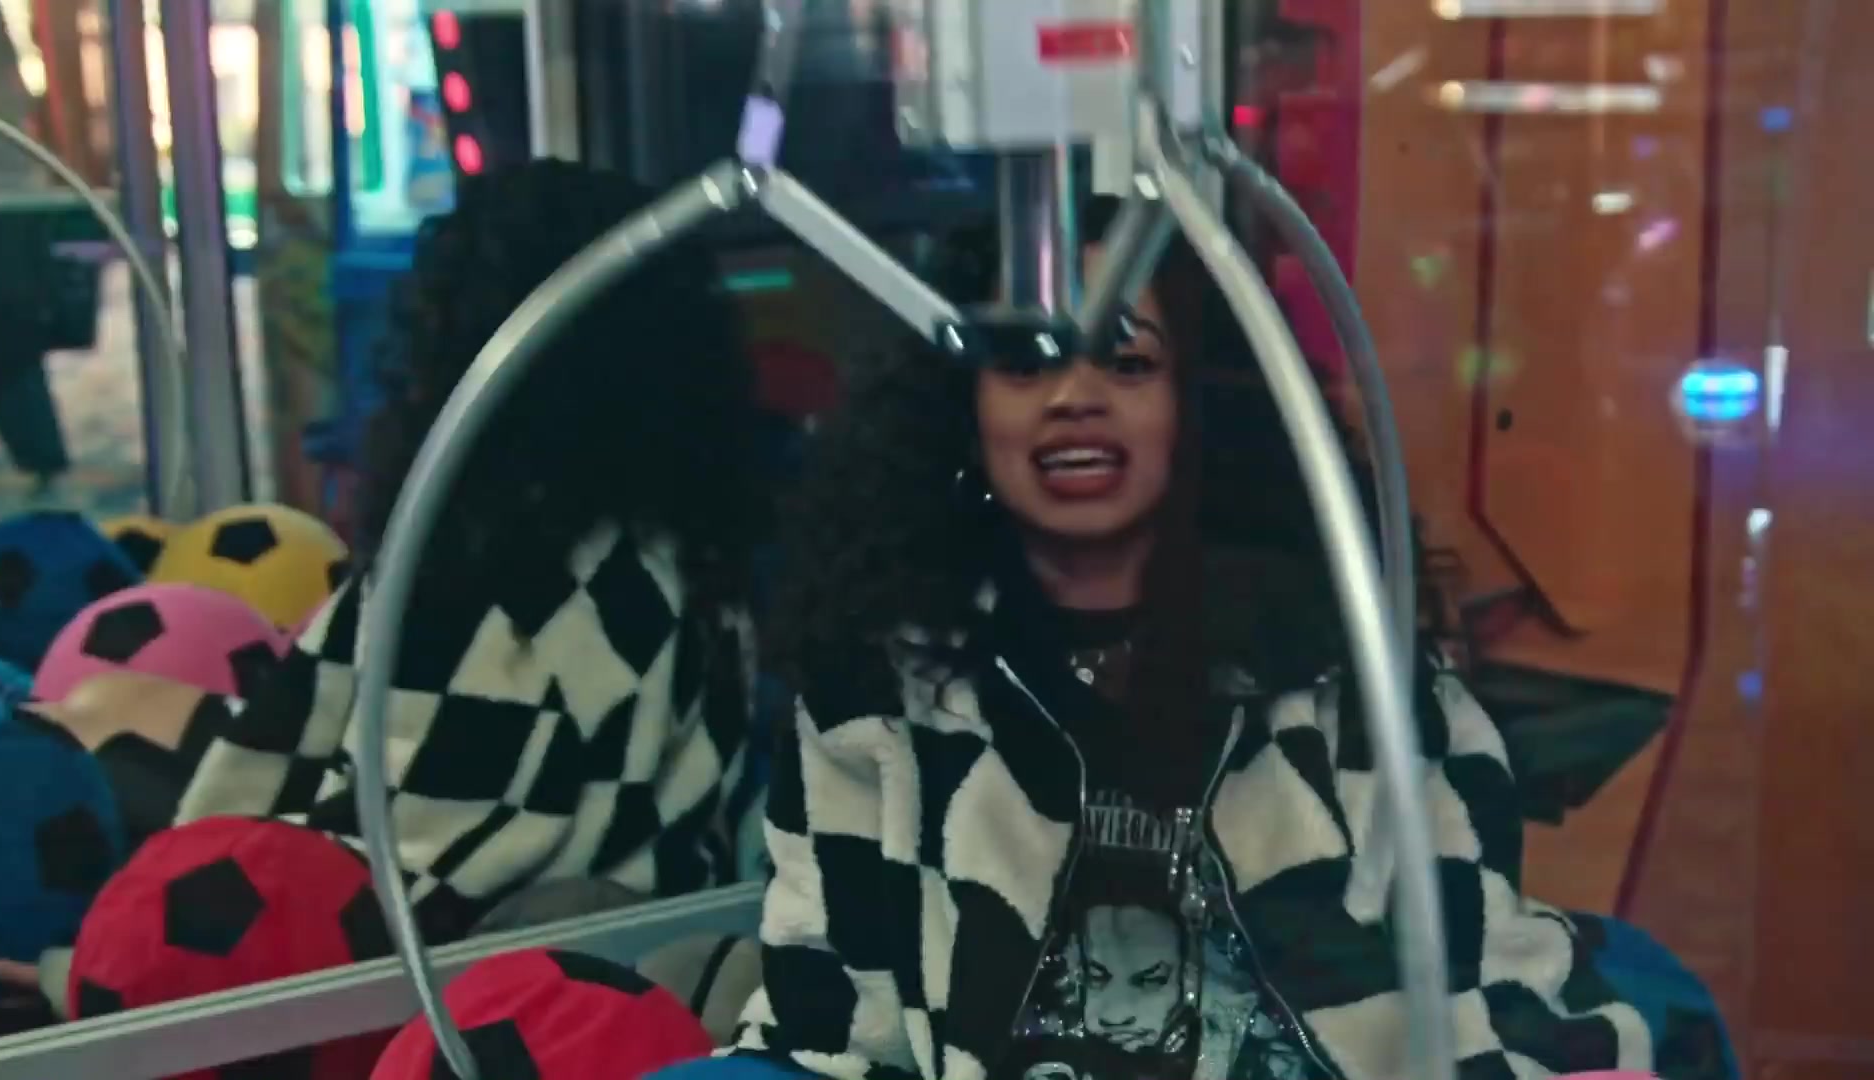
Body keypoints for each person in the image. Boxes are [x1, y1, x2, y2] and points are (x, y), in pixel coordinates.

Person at [653, 196, 1724, 1080]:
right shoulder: (874, 696)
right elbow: (834, 1032)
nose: (1075, 399)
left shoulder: (1353, 682)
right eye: (1026, 364)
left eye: (1126, 364)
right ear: (963, 412)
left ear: (1196, 409)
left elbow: (1481, 998)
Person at [128, 162, 763, 940]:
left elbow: (407, 874)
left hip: (460, 969)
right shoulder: (677, 555)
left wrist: (124, 958)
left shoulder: (516, 587)